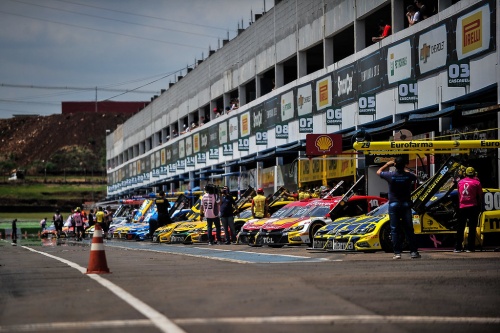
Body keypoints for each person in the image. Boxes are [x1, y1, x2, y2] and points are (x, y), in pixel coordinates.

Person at [377, 157, 420, 259]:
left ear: (395, 165)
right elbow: (416, 176)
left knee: (394, 229)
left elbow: (378, 172)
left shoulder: (390, 175)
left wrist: (387, 165)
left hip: (394, 205)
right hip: (405, 204)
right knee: (409, 229)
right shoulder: (408, 176)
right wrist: (404, 168)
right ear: (404, 165)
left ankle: (397, 253)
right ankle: (413, 252)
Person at [454, 167, 482, 253]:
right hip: (473, 206)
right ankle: (470, 247)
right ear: (474, 174)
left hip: (462, 207)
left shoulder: (460, 182)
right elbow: (480, 195)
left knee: (460, 227)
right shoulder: (477, 183)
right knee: (472, 228)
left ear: (465, 174)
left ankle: (458, 247)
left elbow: (459, 194)